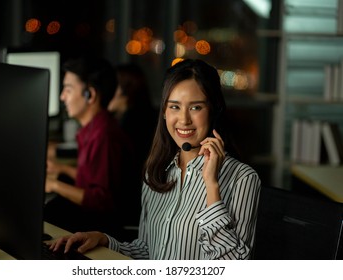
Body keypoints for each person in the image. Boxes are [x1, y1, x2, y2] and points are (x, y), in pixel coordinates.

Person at [49, 58, 261, 260]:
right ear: (164, 112)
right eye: (174, 107)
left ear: (214, 110)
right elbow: (149, 251)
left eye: (196, 107)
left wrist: (211, 187)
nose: (184, 119)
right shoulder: (157, 172)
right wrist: (105, 241)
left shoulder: (242, 179)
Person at [44, 55, 136, 238]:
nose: (62, 97)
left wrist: (54, 185)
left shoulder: (104, 136)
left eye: (68, 90)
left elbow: (102, 202)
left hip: (99, 230)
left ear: (90, 95)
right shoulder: (93, 129)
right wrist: (61, 169)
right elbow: (94, 179)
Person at [107, 63, 157, 227]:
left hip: (130, 213)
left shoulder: (130, 126)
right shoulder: (142, 117)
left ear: (123, 91)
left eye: (109, 87)